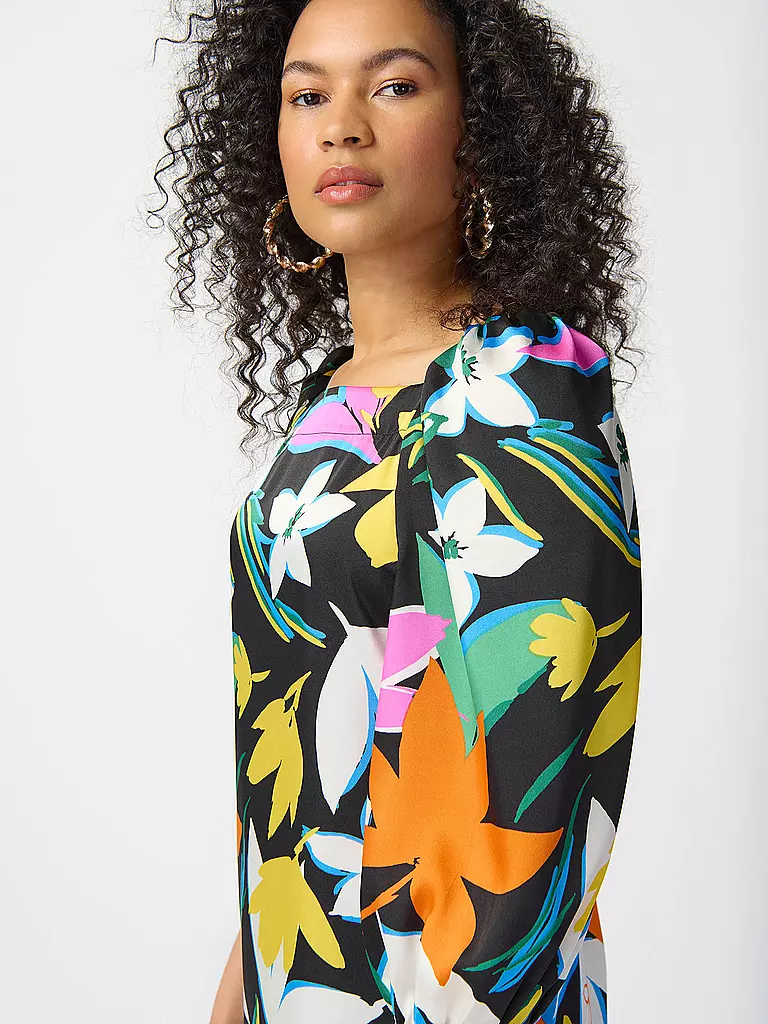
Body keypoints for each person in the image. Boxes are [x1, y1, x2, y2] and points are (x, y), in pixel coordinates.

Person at [148, 1, 645, 1021]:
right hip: (308, 978)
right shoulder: (335, 402)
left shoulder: (516, 386)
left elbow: (517, 798)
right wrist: (244, 986)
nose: (341, 125)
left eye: (395, 86)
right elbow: (302, 779)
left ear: (482, 127)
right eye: (306, 96)